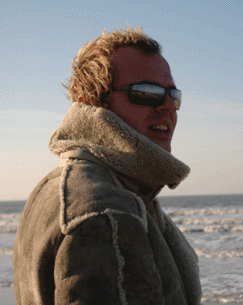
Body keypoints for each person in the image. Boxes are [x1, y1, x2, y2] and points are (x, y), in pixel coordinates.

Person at [13, 26, 202, 305]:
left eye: (173, 96)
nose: (168, 107)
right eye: (147, 92)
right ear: (93, 101)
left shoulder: (51, 187)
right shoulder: (109, 214)